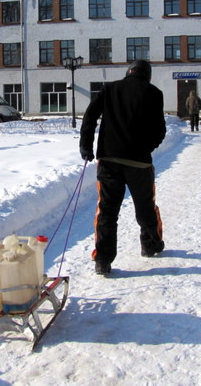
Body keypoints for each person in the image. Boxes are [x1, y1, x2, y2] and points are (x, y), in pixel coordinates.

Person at [79, 59, 167, 276]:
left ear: (128, 72)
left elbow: (90, 117)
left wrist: (86, 146)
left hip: (109, 160)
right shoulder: (154, 93)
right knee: (146, 207)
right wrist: (147, 147)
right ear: (147, 75)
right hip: (140, 163)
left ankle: (102, 260)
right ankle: (151, 245)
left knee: (107, 212)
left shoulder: (109, 89)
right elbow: (159, 130)